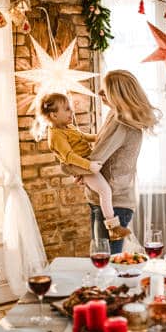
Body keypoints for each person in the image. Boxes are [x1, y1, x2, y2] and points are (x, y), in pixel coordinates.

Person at [85, 70, 160, 254]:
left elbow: (95, 159)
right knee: (106, 259)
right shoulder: (115, 115)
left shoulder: (122, 123)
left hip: (114, 203)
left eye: (105, 91)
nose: (100, 94)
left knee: (107, 261)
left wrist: (73, 168)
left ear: (118, 95)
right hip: (108, 200)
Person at [39, 92, 130, 241]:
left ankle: (113, 227)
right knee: (105, 191)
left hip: (85, 165)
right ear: (54, 115)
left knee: (105, 190)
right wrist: (89, 166)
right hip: (82, 166)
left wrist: (100, 137)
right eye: (67, 109)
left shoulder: (68, 127)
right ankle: (113, 228)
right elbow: (69, 156)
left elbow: (83, 137)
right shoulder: (56, 135)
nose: (72, 111)